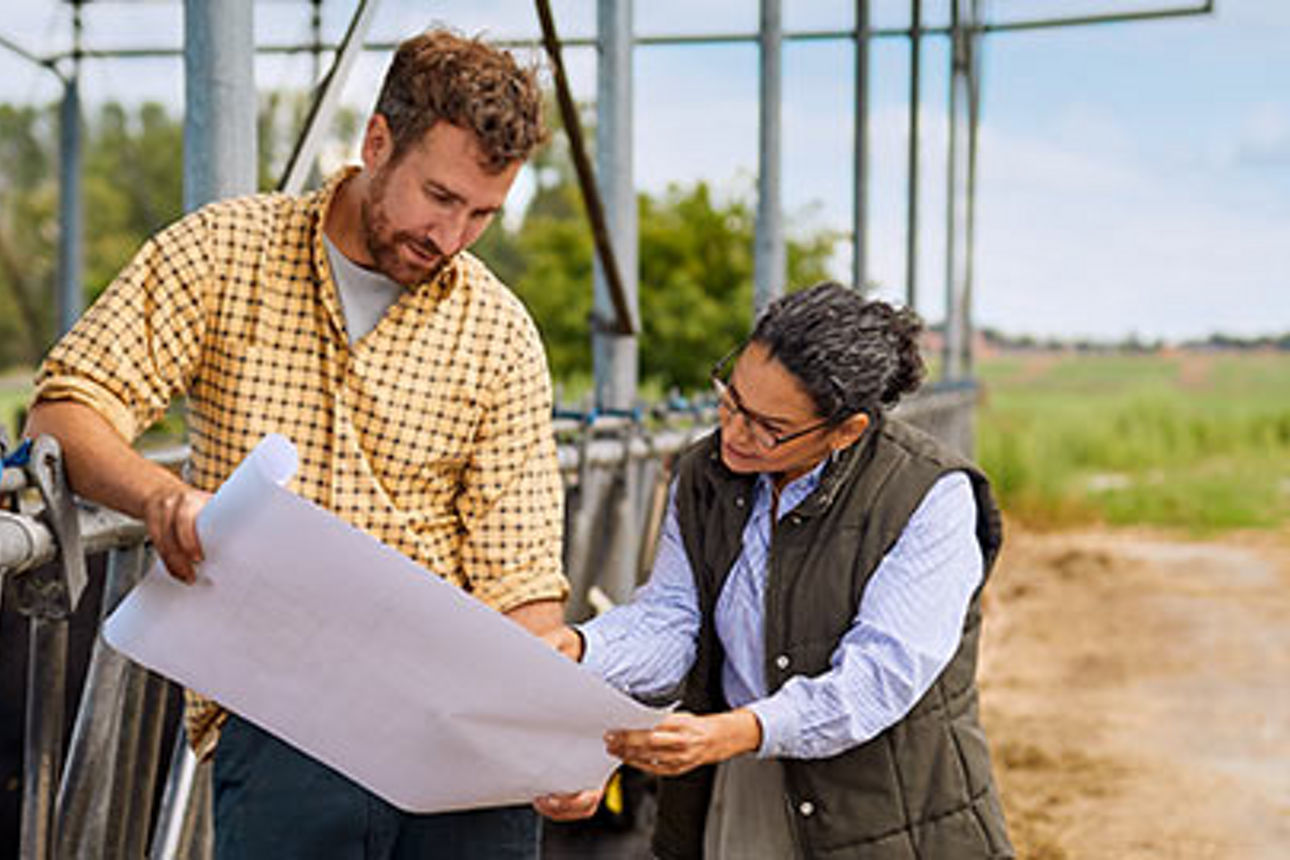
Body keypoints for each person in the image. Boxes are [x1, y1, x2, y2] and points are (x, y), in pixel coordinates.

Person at [27, 29, 567, 860]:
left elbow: (522, 580)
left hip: (459, 742)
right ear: (376, 141)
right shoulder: (224, 253)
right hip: (283, 718)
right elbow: (67, 410)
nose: (453, 236)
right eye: (439, 197)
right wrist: (157, 496)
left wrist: (547, 732)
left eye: (483, 214)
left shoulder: (499, 334)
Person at [537, 282, 1014, 858]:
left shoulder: (928, 496)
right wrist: (580, 650)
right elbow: (672, 619)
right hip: (738, 778)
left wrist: (736, 729)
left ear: (847, 431)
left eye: (770, 428)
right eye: (731, 398)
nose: (734, 434)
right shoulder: (706, 475)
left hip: (887, 801)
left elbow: (878, 679)